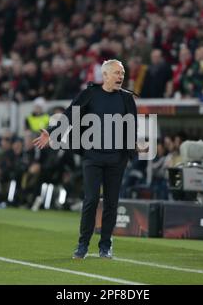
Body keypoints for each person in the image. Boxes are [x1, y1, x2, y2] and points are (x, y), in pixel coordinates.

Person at [33, 59, 139, 259]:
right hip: (93, 157)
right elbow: (69, 116)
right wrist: (51, 133)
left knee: (111, 203)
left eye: (122, 73)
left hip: (117, 159)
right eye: (117, 73)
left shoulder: (127, 99)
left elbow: (131, 126)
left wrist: (133, 143)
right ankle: (83, 244)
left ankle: (105, 245)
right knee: (90, 200)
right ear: (105, 75)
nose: (121, 77)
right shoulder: (90, 93)